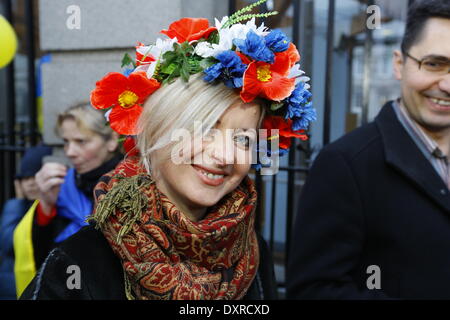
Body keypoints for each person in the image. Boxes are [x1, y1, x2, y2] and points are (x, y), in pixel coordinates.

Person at [20, 7, 314, 300]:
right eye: (206, 128)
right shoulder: (77, 263)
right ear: (156, 131)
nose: (225, 155)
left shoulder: (251, 250)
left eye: (243, 139)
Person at [287, 0, 450, 299]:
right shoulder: (345, 164)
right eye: (434, 64)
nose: (447, 84)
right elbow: (313, 291)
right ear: (399, 64)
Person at [13, 103, 121, 298]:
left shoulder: (129, 186)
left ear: (112, 141)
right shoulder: (62, 186)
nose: (70, 151)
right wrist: (46, 205)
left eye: (81, 141)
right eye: (66, 141)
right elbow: (41, 258)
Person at [0, 145, 52, 300]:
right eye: (24, 178)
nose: (29, 183)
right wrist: (17, 201)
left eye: (34, 177)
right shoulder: (18, 206)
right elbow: (9, 242)